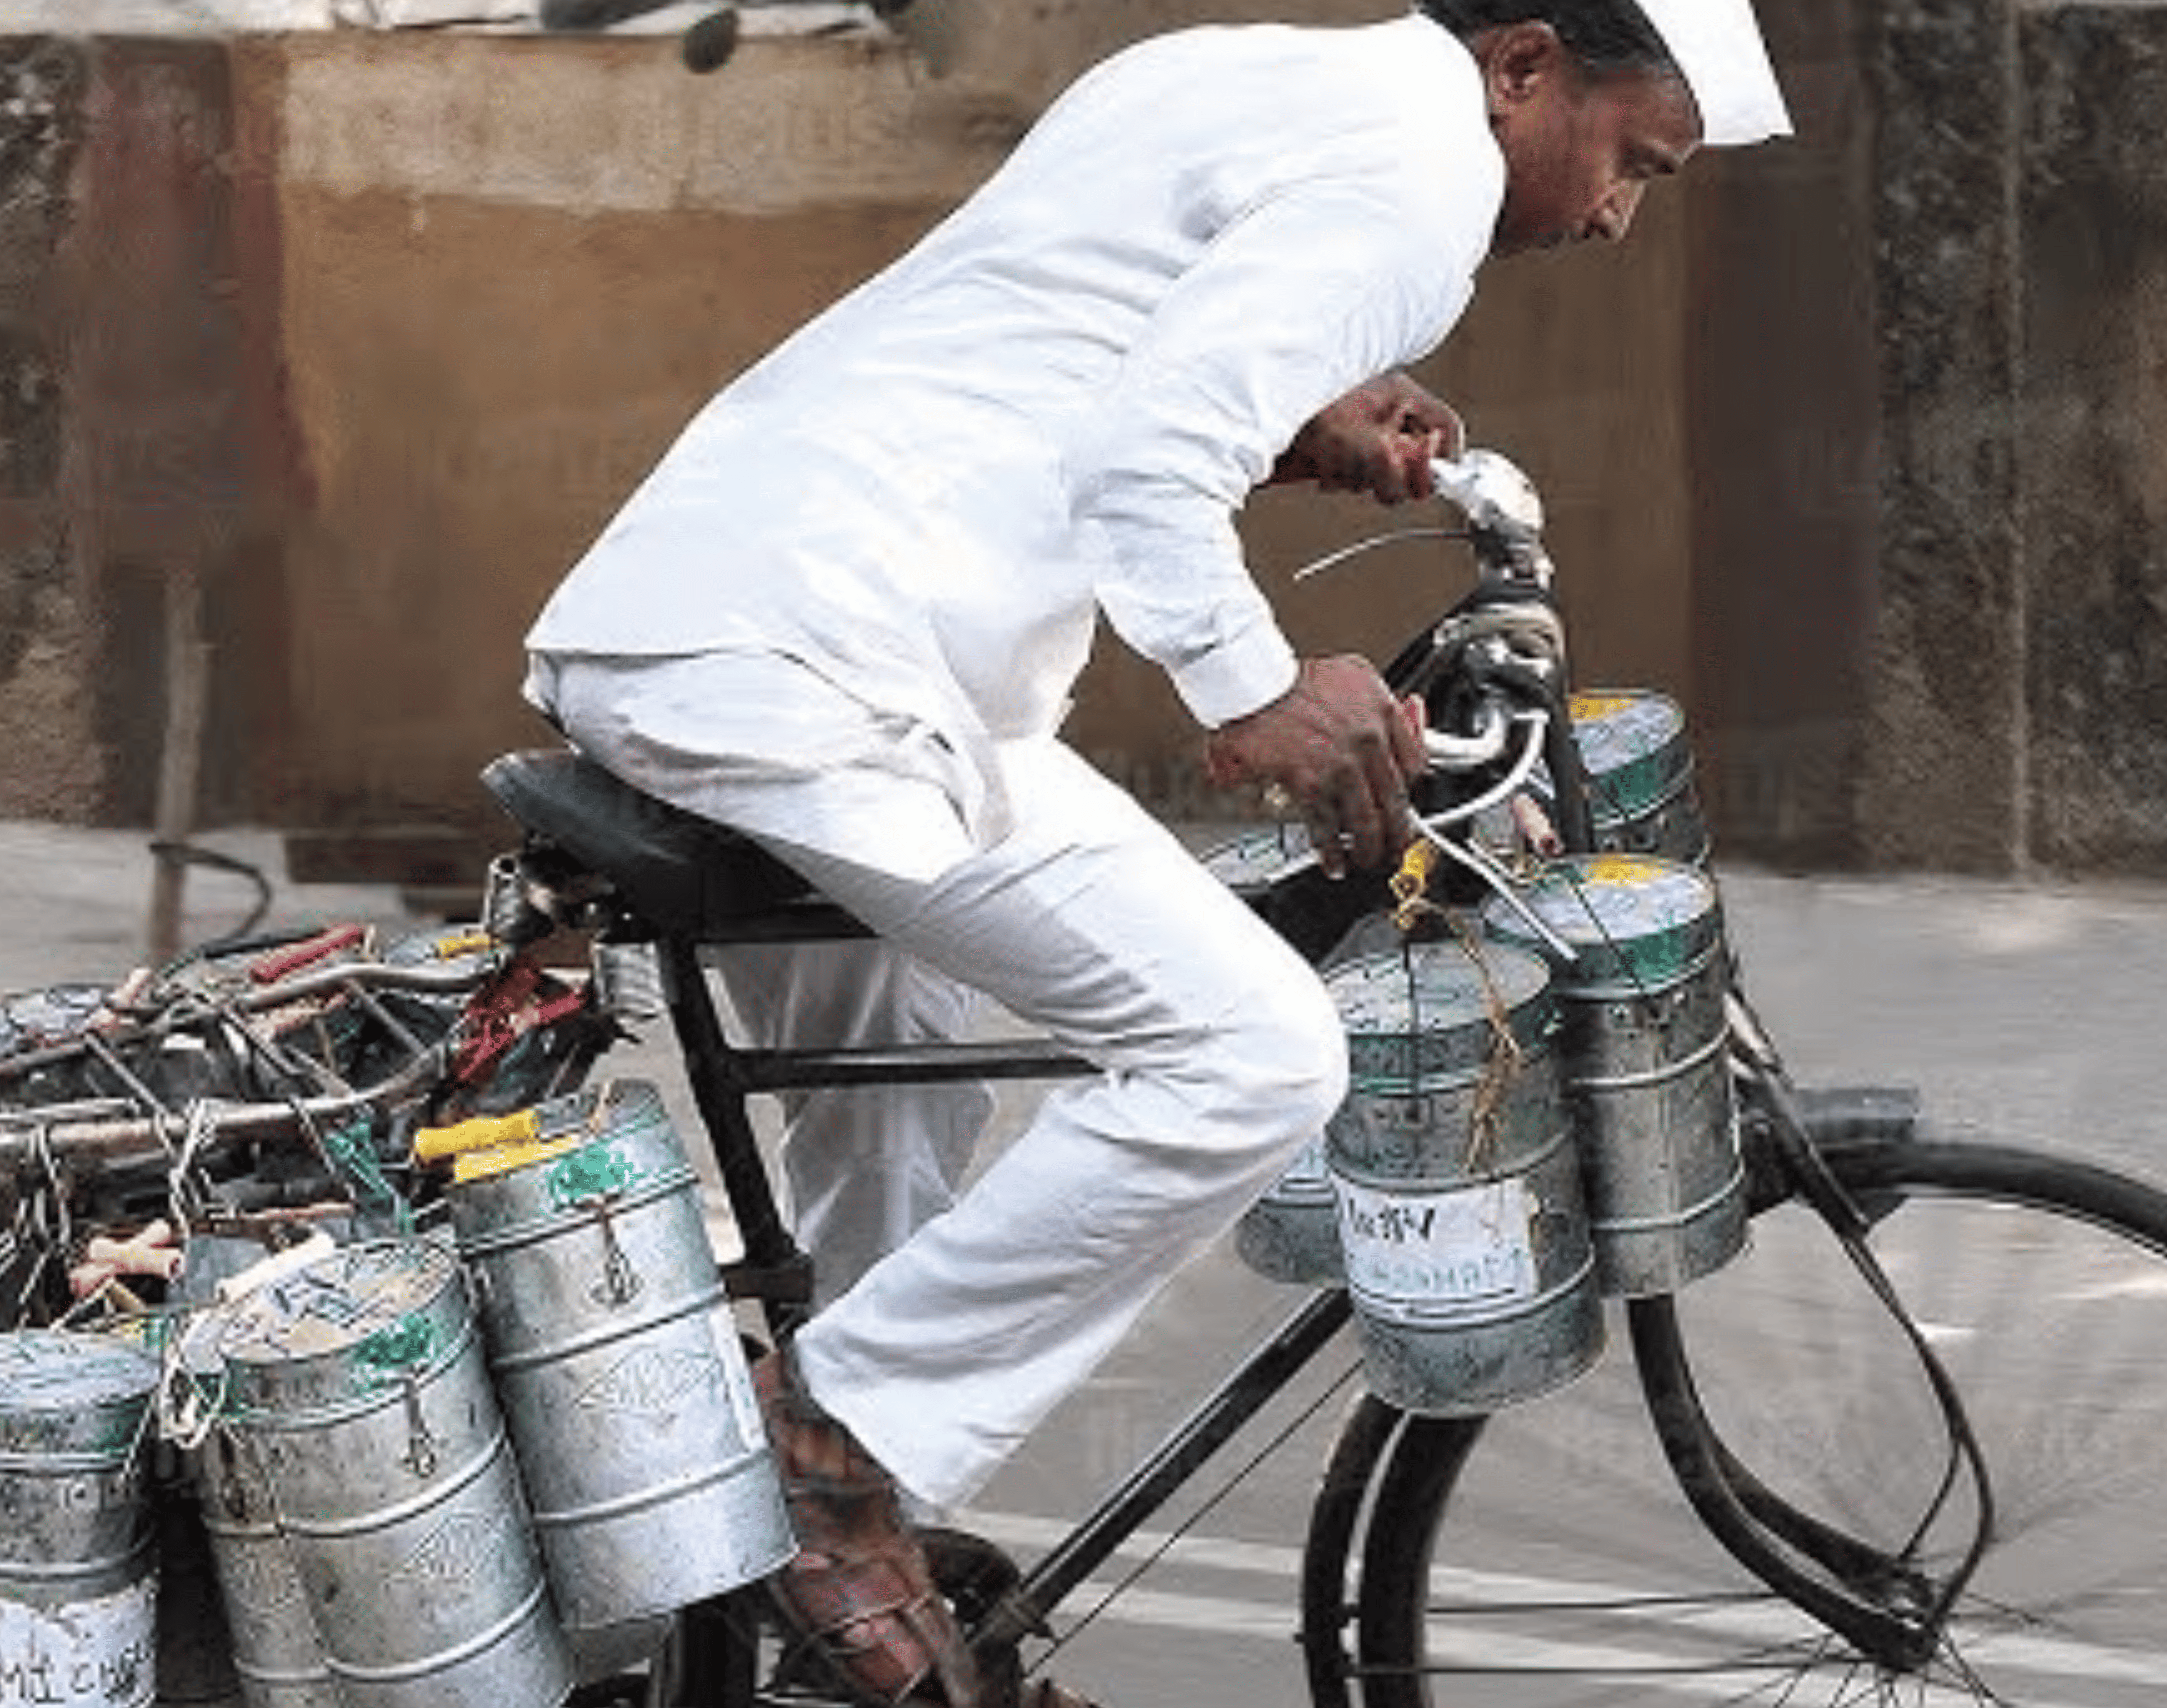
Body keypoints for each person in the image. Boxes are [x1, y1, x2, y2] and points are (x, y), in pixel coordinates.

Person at [520, 4, 1790, 1702]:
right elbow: (1142, 450)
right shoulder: (1419, 192)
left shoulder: (1241, 68)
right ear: (1526, 65)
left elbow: (1084, 337)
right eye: (1635, 162)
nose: (1618, 216)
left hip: (728, 614)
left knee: (906, 1084)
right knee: (1256, 1052)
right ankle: (823, 1458)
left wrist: (1299, 413)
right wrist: (1263, 685)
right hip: (821, 674)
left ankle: (806, 1515)